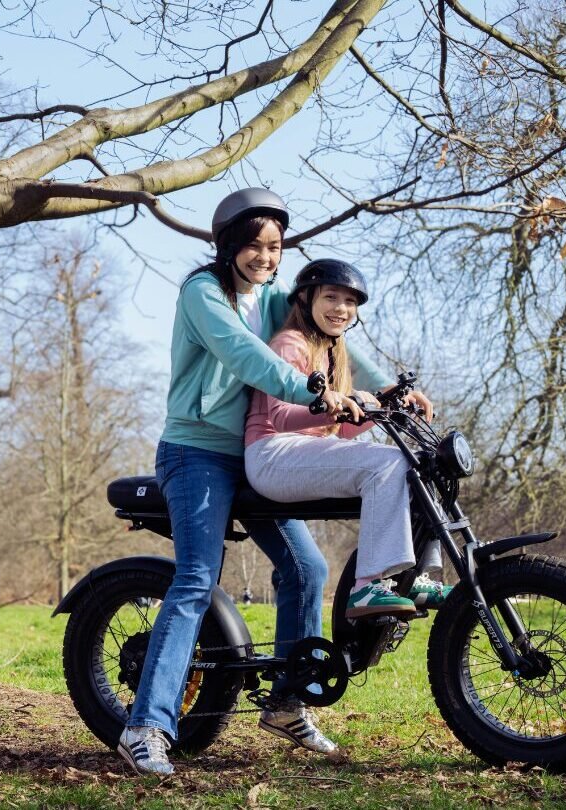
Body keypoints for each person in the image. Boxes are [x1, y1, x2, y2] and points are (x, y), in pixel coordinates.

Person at [117, 189, 390, 777]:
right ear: (228, 244)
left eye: (275, 246)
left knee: (307, 568)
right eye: (254, 245)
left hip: (252, 454)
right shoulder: (203, 292)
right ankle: (145, 728)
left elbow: (330, 338)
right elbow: (243, 356)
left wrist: (385, 389)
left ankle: (288, 702)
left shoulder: (272, 298)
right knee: (195, 579)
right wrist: (316, 392)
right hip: (195, 452)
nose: (266, 257)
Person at [244, 259, 448, 620]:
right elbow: (279, 416)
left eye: (350, 302)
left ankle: (418, 576)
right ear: (306, 300)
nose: (341, 309)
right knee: (386, 464)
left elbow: (340, 427)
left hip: (304, 451)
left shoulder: (331, 353)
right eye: (332, 297)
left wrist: (383, 406)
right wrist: (332, 407)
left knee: (421, 466)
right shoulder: (290, 343)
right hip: (272, 452)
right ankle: (367, 584)